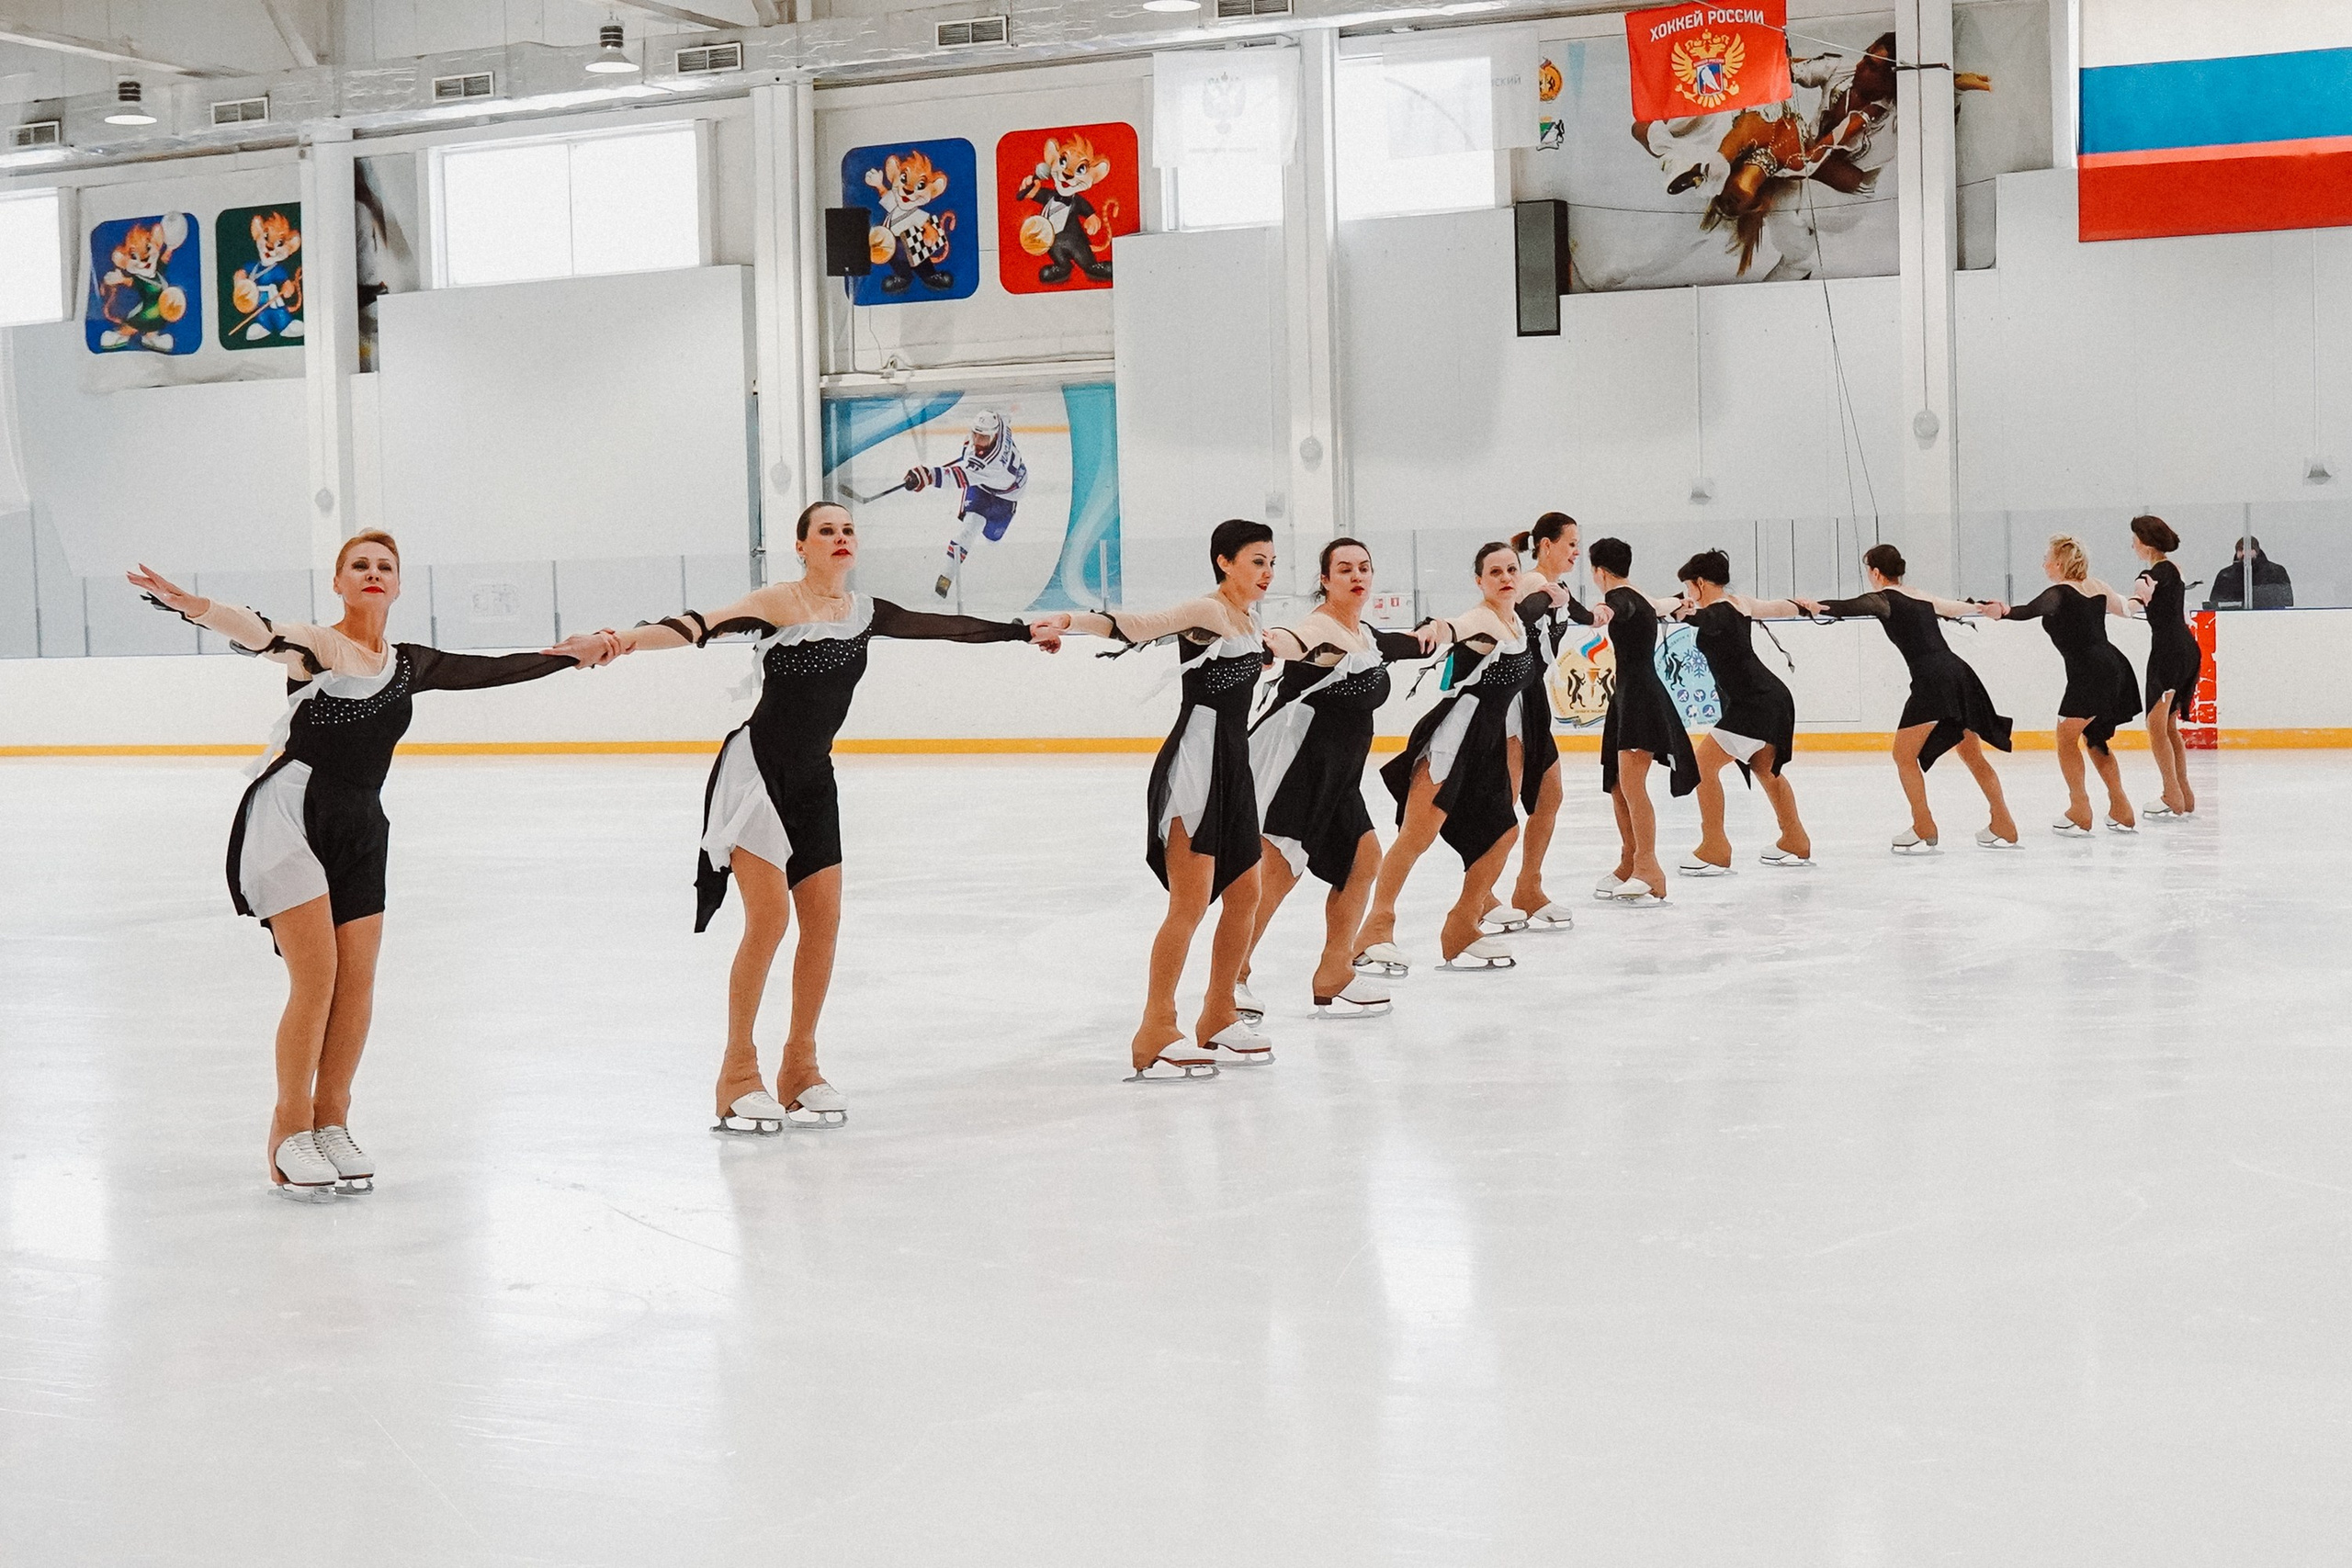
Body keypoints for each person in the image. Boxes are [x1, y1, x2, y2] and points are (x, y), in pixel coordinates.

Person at [546, 502, 1059, 1133]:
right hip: (758, 774)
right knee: (769, 920)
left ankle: (800, 1067)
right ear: (801, 546)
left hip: (816, 780)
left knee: (824, 922)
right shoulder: (777, 602)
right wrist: (619, 640)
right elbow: (693, 625)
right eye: (827, 531)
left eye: (848, 530)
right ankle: (737, 1074)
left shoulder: (867, 613)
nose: (841, 538)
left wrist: (1019, 631)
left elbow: (941, 626)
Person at [128, 534, 597, 1200]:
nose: (373, 574)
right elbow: (260, 632)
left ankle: (332, 1120)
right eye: (360, 566)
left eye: (385, 568)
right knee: (315, 979)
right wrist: (195, 605)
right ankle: (289, 1129)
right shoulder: (318, 645)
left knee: (357, 983)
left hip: (361, 829)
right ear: (339, 583)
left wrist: (569, 656)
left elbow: (490, 669)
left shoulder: (409, 664)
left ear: (399, 586)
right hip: (291, 818)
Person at [1051, 521, 1280, 1081]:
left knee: (1246, 892)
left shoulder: (1249, 618)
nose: (1267, 572)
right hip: (1198, 765)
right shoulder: (1206, 610)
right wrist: (1069, 620)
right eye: (1256, 561)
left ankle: (1219, 1012)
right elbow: (1136, 626)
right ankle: (1156, 1028)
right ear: (1224, 562)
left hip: (1234, 767)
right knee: (1191, 901)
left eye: (1271, 561)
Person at [1238, 539, 1437, 1020]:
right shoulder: (1319, 630)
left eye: (1364, 567)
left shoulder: (1363, 634)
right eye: (1344, 569)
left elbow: (1403, 645)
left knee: (1363, 858)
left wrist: (1440, 631)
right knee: (1278, 874)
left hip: (1340, 775)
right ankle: (1232, 977)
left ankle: (1334, 973)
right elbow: (1294, 642)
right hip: (1301, 767)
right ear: (1325, 580)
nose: (1357, 576)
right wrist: (1268, 646)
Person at [1353, 542, 1567, 972]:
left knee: (1502, 834)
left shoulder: (1517, 621)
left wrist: (1559, 596)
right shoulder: (1483, 620)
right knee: (1417, 836)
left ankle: (1462, 926)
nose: (1505, 578)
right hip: (1453, 740)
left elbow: (1538, 591)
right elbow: (1455, 626)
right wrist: (1436, 628)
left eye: (1511, 570)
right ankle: (1375, 929)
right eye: (1494, 573)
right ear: (1479, 581)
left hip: (1488, 743)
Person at [1797, 543, 2018, 852]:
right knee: (1971, 753)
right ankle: (2003, 822)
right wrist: (1984, 606)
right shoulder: (1920, 595)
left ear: (1875, 572)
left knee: (1903, 755)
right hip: (1957, 671)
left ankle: (1923, 824)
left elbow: (1849, 606)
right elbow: (1955, 607)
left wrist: (1811, 605)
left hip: (1933, 680)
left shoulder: (1884, 600)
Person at [1485, 513, 1602, 931]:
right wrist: (1553, 601)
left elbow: (1581, 615)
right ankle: (1482, 893)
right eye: (1570, 543)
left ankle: (1528, 887)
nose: (1576, 551)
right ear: (1546, 545)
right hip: (1514, 700)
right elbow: (1517, 614)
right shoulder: (1532, 583)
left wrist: (1599, 615)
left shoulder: (1559, 589)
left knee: (1549, 795)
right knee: (1509, 797)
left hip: (1535, 700)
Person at [1980, 536, 2142, 835]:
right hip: (2114, 667)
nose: (2043, 563)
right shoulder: (2097, 586)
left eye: (2046, 558)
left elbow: (2027, 611)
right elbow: (2127, 609)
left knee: (2066, 738)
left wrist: (2001, 611)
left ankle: (2079, 809)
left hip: (2089, 673)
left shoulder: (2059, 593)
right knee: (2095, 739)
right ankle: (2122, 809)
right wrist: (2143, 596)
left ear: (2058, 563)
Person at [1670, 549, 1814, 872]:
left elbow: (1703, 618)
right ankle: (1795, 838)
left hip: (1754, 703)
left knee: (1700, 767)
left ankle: (1714, 847)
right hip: (1771, 697)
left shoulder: (1718, 612)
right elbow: (1778, 607)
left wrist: (1684, 613)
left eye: (1688, 587)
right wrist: (1800, 604)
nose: (1686, 594)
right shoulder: (1741, 602)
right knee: (1767, 769)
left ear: (1701, 583)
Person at [1589, 537, 1698, 900]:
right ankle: (1629, 861)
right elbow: (1659, 604)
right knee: (1619, 785)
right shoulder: (1640, 596)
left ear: (1598, 572)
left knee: (1633, 786)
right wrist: (1679, 602)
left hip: (1639, 697)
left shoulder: (1621, 598)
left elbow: (1620, 606)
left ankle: (1649, 868)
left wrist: (1603, 611)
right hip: (1627, 697)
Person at [2128, 514, 2201, 818]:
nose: (2132, 544)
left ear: (2145, 542)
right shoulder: (2174, 570)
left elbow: (2137, 600)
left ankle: (2171, 794)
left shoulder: (2153, 573)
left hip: (2167, 652)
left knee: (2156, 726)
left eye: (2134, 539)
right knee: (2167, 725)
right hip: (2186, 648)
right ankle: (2183, 793)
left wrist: (2113, 603)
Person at [914, 409, 1028, 601]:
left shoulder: (991, 464)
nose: (976, 440)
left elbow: (956, 478)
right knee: (969, 529)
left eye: (982, 437)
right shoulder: (999, 423)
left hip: (1007, 495)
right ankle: (946, 577)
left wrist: (927, 476)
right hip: (981, 488)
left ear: (993, 436)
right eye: (974, 433)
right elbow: (1004, 417)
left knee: (993, 537)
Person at [2205, 536, 2292, 610]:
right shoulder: (2225, 575)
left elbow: (2286, 601)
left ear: (2257, 551)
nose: (2244, 553)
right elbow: (2214, 605)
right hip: (2233, 623)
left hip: (2268, 622)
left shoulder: (2276, 572)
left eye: (2248, 549)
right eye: (2240, 549)